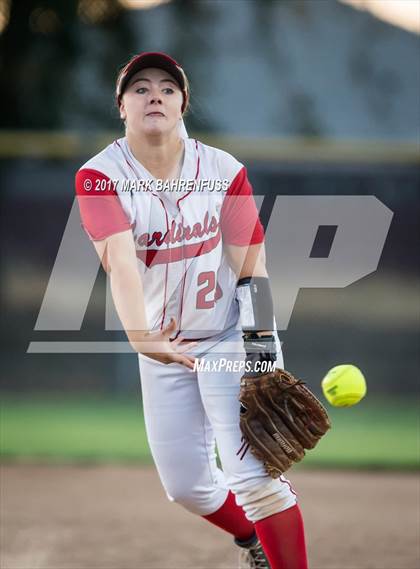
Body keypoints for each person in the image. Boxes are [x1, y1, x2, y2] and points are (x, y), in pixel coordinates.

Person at [75, 52, 308, 569]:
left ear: (183, 105)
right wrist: (141, 337)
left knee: (253, 478)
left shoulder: (223, 169)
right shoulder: (99, 177)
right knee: (187, 487)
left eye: (167, 88)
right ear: (121, 107)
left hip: (230, 334)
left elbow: (252, 259)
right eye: (140, 88)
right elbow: (121, 260)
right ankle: (252, 540)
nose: (154, 94)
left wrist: (262, 337)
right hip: (164, 345)